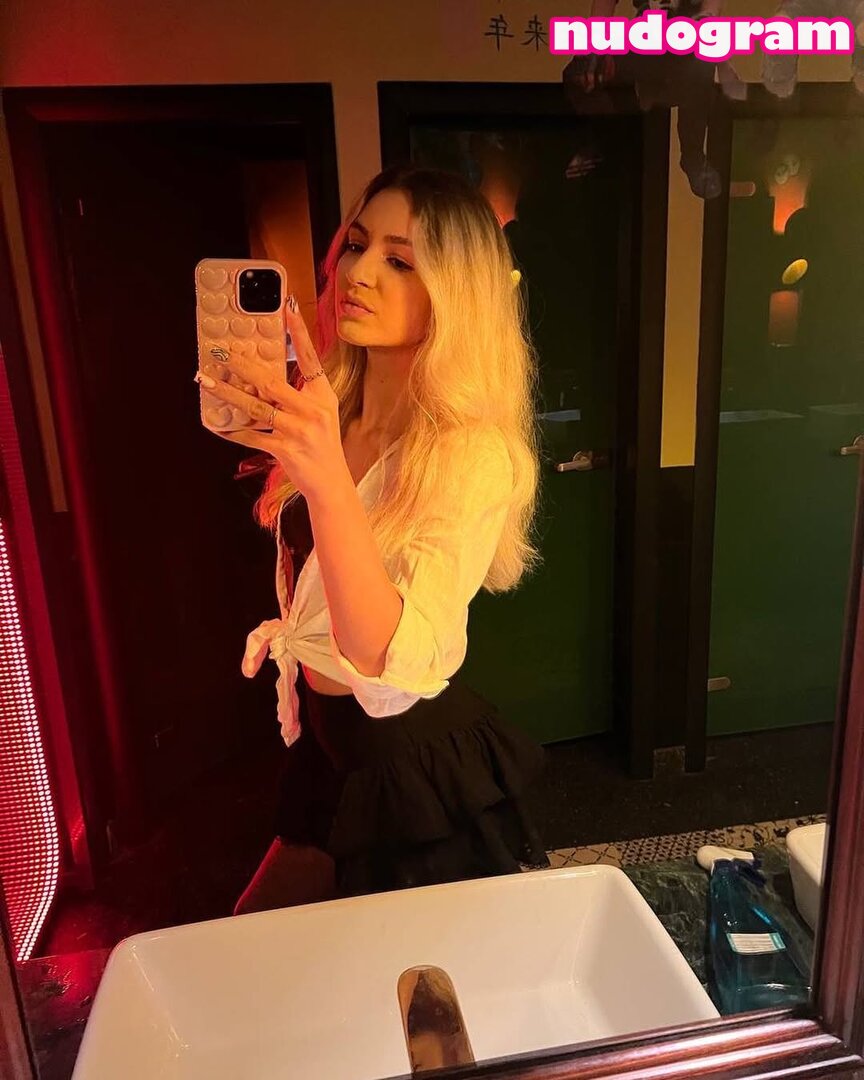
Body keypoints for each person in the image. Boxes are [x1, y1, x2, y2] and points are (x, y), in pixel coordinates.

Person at [196, 165, 551, 913]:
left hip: (406, 768)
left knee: (406, 980)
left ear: (455, 294)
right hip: (329, 751)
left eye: (401, 261)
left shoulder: (469, 454)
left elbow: (390, 674)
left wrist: (328, 480)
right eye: (356, 245)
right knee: (253, 936)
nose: (359, 272)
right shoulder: (333, 410)